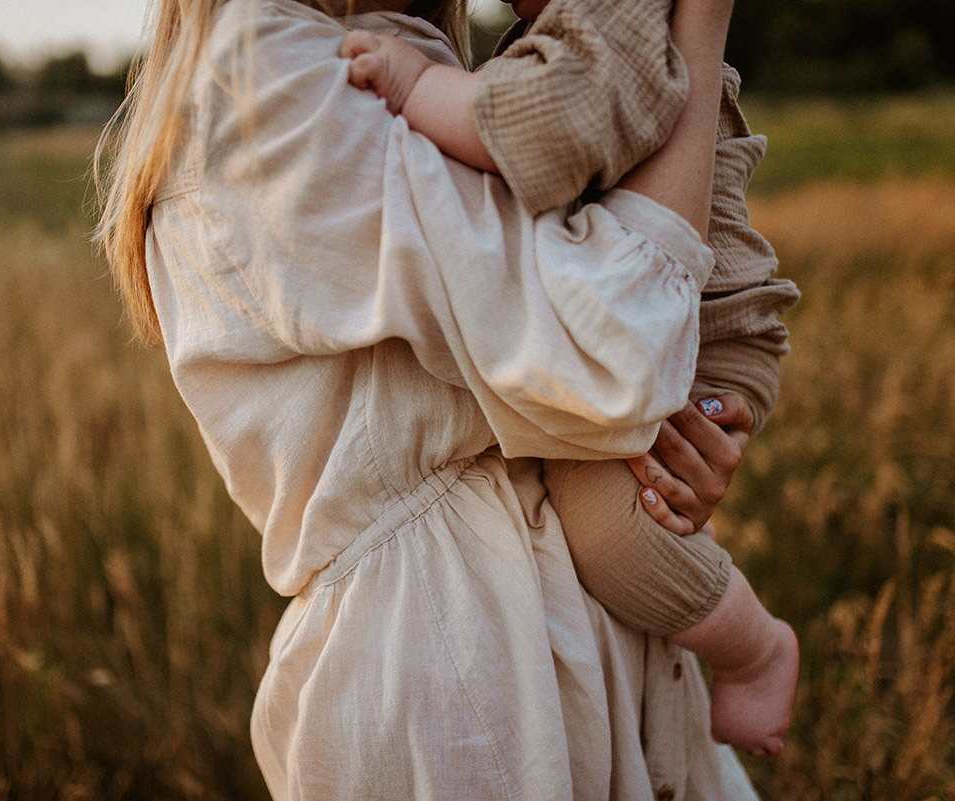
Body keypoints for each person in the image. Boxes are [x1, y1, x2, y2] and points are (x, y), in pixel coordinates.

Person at [96, 0, 766, 796]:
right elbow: (619, 344)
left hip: (594, 642)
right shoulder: (269, 75)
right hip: (459, 674)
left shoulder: (424, 56)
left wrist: (673, 445)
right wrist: (697, 26)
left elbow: (617, 347)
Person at [338, 0, 801, 757]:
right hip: (670, 329)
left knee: (615, 532)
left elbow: (546, 127)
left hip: (703, 341)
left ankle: (755, 647)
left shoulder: (617, 8)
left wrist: (418, 85)